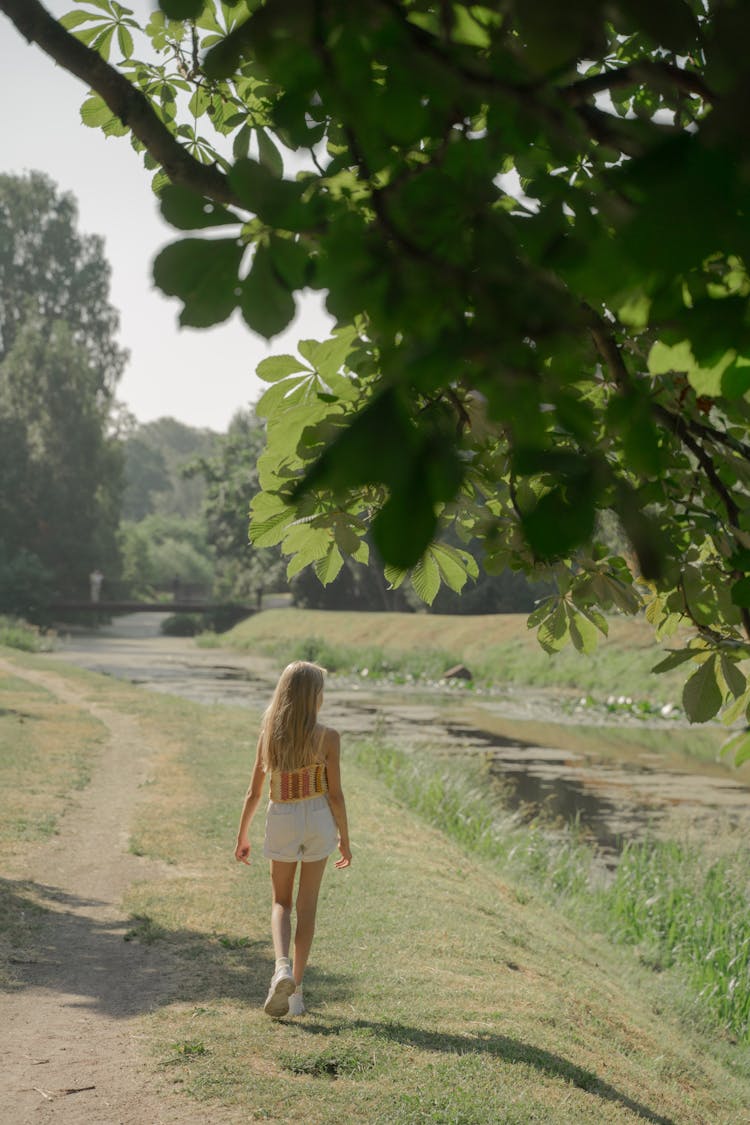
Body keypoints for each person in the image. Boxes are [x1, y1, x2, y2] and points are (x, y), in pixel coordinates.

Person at [234, 661, 351, 1018]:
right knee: (308, 906)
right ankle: (295, 994)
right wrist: (345, 839)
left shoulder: (269, 732)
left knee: (281, 902)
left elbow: (254, 793)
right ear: (314, 697)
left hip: (282, 814)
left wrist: (242, 835)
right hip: (317, 818)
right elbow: (335, 795)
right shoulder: (328, 736)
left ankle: (281, 967)